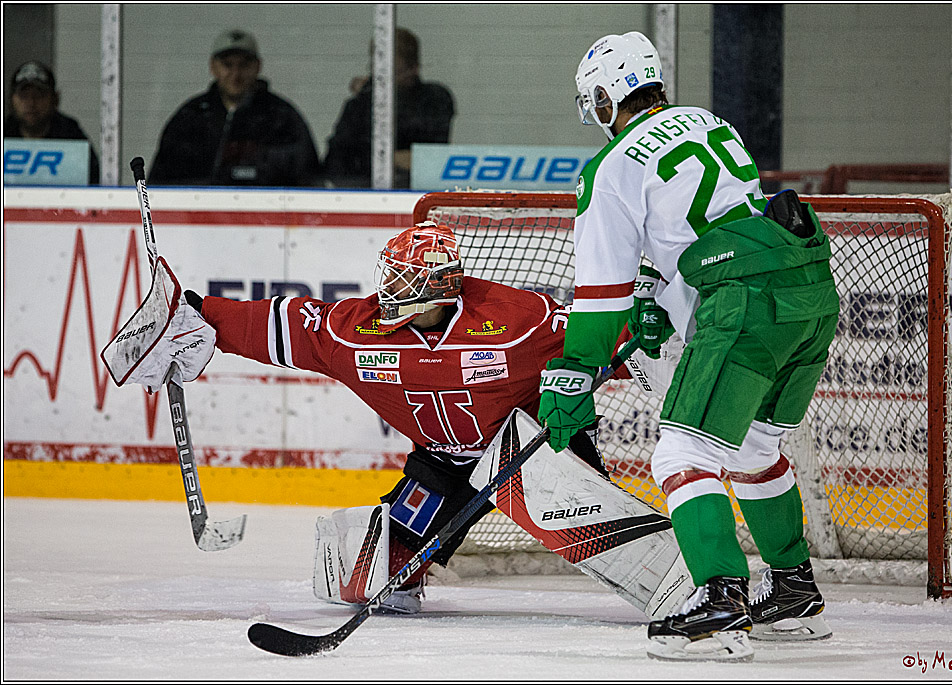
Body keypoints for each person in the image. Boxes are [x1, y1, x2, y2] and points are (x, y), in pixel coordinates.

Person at [105, 220, 692, 618]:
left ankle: (695, 579)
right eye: (393, 276)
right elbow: (278, 324)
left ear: (445, 282)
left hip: (530, 447)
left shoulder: (519, 317)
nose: (394, 291)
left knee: (619, 547)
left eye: (410, 281)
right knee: (363, 580)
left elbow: (603, 341)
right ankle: (415, 564)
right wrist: (198, 313)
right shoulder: (353, 329)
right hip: (441, 464)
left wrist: (647, 332)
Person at [538, 31, 839, 661]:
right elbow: (714, 224)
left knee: (679, 451)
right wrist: (659, 297)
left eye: (592, 99)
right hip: (807, 285)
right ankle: (793, 594)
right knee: (756, 445)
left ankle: (720, 608)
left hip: (744, 300)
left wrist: (573, 368)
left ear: (604, 96)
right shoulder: (706, 121)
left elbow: (600, 293)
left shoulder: (612, 167)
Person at [149, 29, 321, 187]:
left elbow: (309, 179)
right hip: (199, 217)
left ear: (258, 66)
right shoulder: (190, 116)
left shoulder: (283, 118)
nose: (236, 74)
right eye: (227, 65)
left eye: (244, 65)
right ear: (213, 67)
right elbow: (160, 182)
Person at [323, 27, 454, 189]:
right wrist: (392, 158)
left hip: (417, 195)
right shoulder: (359, 105)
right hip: (362, 193)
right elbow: (336, 163)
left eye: (392, 72)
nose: (382, 80)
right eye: (377, 71)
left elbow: (431, 159)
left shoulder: (434, 99)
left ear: (414, 68)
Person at [5, 60, 100, 184]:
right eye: (23, 96)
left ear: (55, 99)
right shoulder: (5, 131)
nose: (31, 103)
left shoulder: (70, 133)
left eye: (39, 95)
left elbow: (93, 180)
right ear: (11, 99)